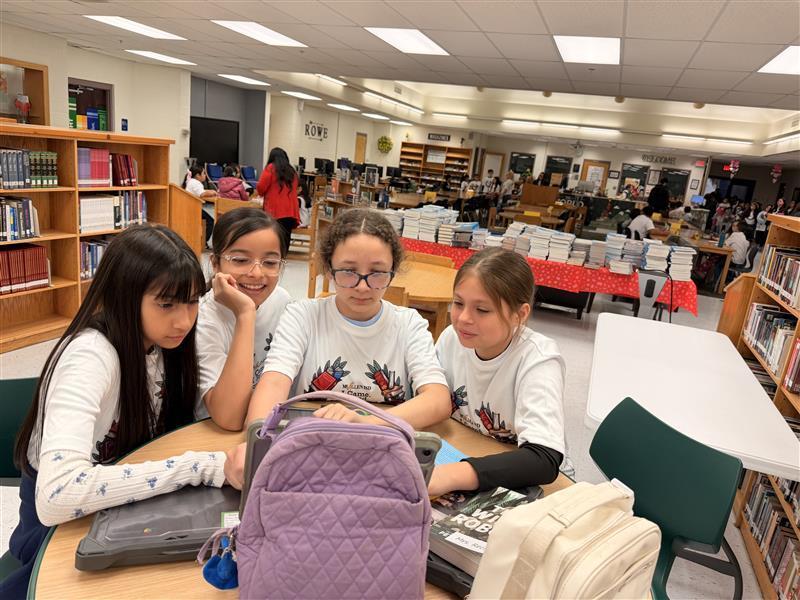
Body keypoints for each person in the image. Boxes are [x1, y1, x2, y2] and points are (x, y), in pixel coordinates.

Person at [2, 226, 235, 598]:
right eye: (167, 304)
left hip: (119, 506)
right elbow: (57, 495)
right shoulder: (90, 357)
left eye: (193, 302)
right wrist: (202, 466)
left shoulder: (160, 345)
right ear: (125, 296)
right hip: (56, 529)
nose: (184, 320)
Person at [428, 248, 568, 495]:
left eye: (482, 310)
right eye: (458, 303)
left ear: (520, 314)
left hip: (533, 482)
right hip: (470, 449)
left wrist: (453, 474)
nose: (463, 319)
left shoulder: (538, 359)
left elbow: (544, 459)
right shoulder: (452, 338)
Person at [196, 208, 292, 431]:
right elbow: (230, 419)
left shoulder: (281, 300)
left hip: (264, 425)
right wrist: (245, 313)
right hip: (212, 432)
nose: (257, 273)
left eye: (270, 262)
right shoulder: (204, 318)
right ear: (216, 264)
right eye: (240, 260)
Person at [256, 147, 300, 256]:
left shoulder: (271, 168)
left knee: (273, 235)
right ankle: (283, 258)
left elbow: (261, 188)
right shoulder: (292, 171)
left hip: (274, 210)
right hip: (290, 211)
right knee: (285, 236)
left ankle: (272, 257)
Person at [183, 164, 216, 248]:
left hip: (189, 206)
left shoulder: (191, 181)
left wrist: (209, 191)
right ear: (198, 175)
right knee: (210, 221)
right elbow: (202, 193)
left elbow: (201, 191)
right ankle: (203, 242)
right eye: (204, 173)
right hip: (194, 208)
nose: (205, 175)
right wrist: (213, 192)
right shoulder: (196, 183)